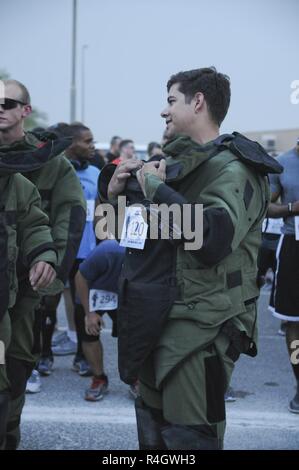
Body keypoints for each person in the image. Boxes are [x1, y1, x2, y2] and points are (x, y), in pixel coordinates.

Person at [98, 67, 282, 450]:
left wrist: (154, 187)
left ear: (197, 102)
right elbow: (119, 232)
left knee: (189, 442)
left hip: (200, 332)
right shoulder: (177, 166)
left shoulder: (234, 169)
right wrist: (114, 194)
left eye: (170, 101)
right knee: (152, 439)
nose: (163, 112)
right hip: (155, 322)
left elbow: (212, 237)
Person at [0, 80, 86, 449]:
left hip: (28, 289)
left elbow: (66, 222)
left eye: (7, 102)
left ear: (25, 110)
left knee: (16, 368)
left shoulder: (52, 164)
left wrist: (50, 276)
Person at [0, 84, 60, 449]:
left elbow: (37, 226)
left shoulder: (15, 182)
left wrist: (45, 258)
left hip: (8, 307)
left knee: (6, 391)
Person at [52, 123, 99, 377]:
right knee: (48, 304)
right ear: (71, 144)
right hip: (60, 249)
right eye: (87, 141)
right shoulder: (55, 172)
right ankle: (43, 357)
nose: (92, 145)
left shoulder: (95, 172)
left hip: (86, 252)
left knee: (83, 306)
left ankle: (82, 355)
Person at [268, 137, 299, 413]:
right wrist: (292, 208)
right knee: (294, 322)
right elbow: (267, 206)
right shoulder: (283, 164)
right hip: (293, 246)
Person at [75, 239, 125, 400]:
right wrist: (89, 313)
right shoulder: (107, 251)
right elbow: (80, 277)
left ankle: (137, 379)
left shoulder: (149, 255)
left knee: (134, 335)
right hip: (94, 291)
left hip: (125, 294)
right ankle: (99, 378)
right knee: (88, 331)